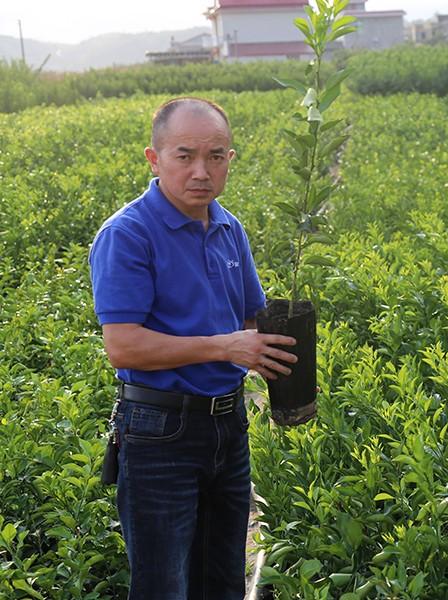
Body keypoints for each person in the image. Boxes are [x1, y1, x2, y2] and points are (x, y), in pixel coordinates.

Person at [89, 97, 297, 599]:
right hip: (160, 433)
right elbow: (123, 346)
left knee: (222, 578)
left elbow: (249, 315)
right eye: (185, 156)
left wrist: (287, 354)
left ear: (230, 159)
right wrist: (225, 347)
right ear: (154, 158)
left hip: (227, 426)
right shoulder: (129, 234)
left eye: (217, 155)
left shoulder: (229, 228)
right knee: (165, 585)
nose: (201, 171)